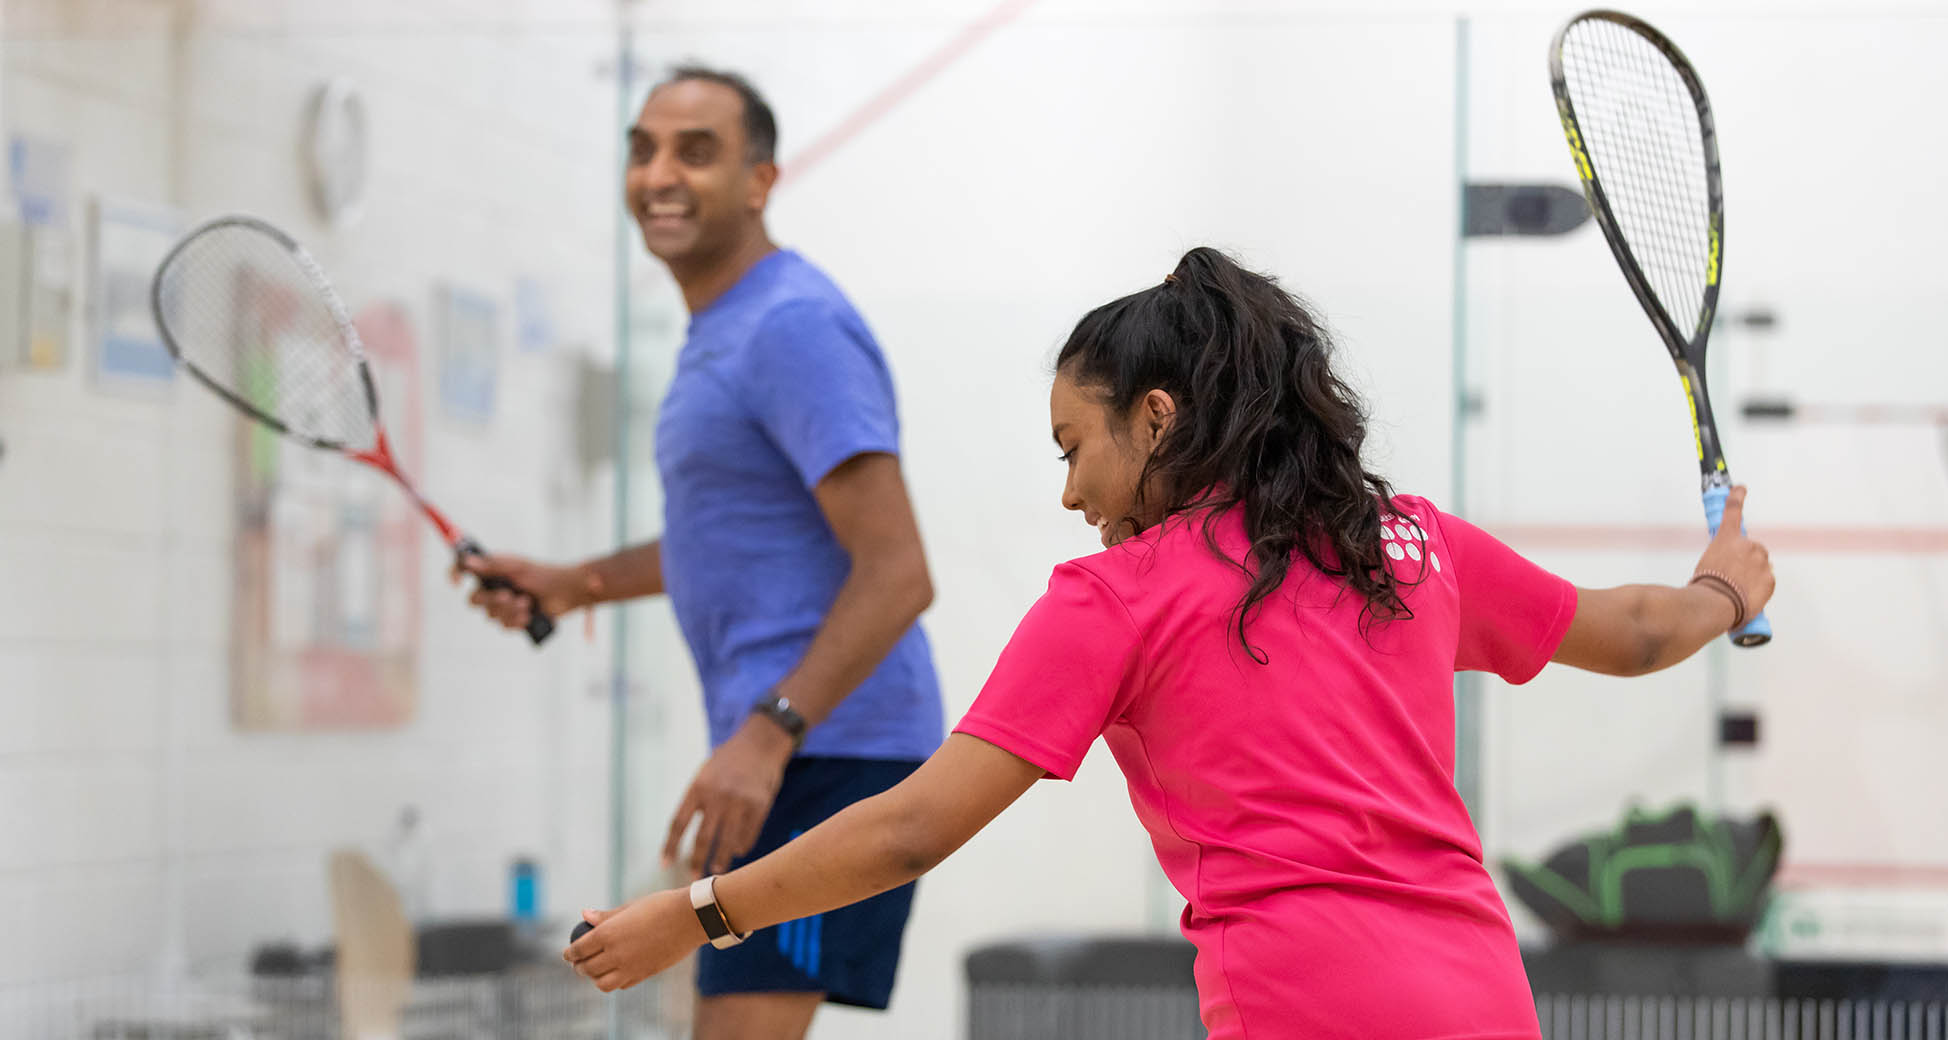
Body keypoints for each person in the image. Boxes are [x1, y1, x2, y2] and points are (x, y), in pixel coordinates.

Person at [559, 247, 1776, 1039]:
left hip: (1308, 1005)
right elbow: (1636, 629)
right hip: (1484, 998)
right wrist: (1722, 587)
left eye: (1070, 447)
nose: (1070, 490)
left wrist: (703, 910)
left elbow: (914, 823)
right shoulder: (1409, 543)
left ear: (1156, 417)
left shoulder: (1115, 595)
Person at [459, 66, 944, 1038]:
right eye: (642, 149)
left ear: (760, 180)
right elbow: (735, 537)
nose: (658, 173)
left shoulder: (789, 324)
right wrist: (577, 580)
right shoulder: (724, 329)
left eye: (695, 149)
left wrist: (765, 737)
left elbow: (898, 572)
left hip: (827, 754)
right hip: (794, 744)